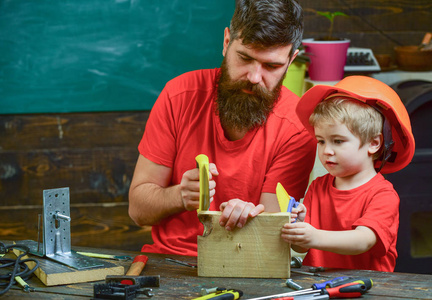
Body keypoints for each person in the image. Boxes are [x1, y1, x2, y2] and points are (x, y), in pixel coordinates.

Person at [128, 0, 316, 256]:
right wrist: (180, 196)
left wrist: (250, 217)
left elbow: (273, 233)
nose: (254, 77)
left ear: (291, 59)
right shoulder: (179, 95)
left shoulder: (297, 126)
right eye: (245, 58)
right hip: (169, 261)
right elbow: (138, 210)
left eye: (271, 66)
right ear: (227, 42)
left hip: (247, 266)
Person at [282, 76, 415, 271]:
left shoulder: (383, 195)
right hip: (320, 286)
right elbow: (300, 247)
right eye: (321, 141)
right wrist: (299, 228)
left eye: (338, 141)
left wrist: (314, 236)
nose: (327, 150)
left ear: (373, 144)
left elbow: (363, 240)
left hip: (369, 290)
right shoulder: (318, 186)